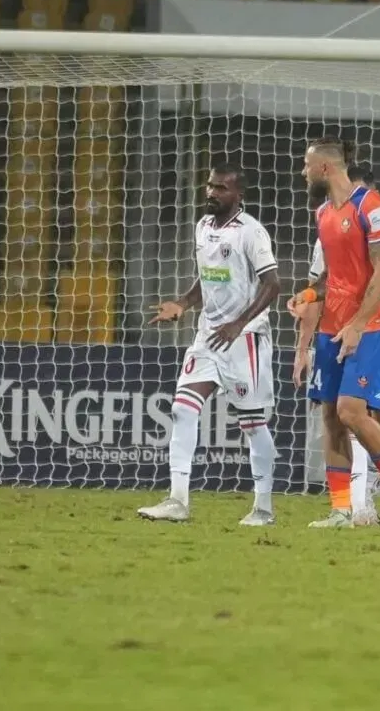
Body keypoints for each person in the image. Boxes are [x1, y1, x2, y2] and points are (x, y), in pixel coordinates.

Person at [139, 163, 280, 526]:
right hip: (208, 337)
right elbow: (207, 278)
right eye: (210, 186)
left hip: (245, 339)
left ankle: (263, 507)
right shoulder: (203, 226)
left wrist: (239, 323)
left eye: (220, 188)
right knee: (182, 409)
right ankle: (177, 500)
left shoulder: (251, 232)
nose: (212, 193)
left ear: (238, 194)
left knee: (253, 425)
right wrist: (183, 304)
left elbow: (273, 285)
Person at [291, 164, 380, 527]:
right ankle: (343, 508)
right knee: (334, 417)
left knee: (370, 420)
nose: (303, 171)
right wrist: (306, 302)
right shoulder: (325, 219)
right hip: (332, 330)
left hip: (376, 330)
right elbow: (327, 281)